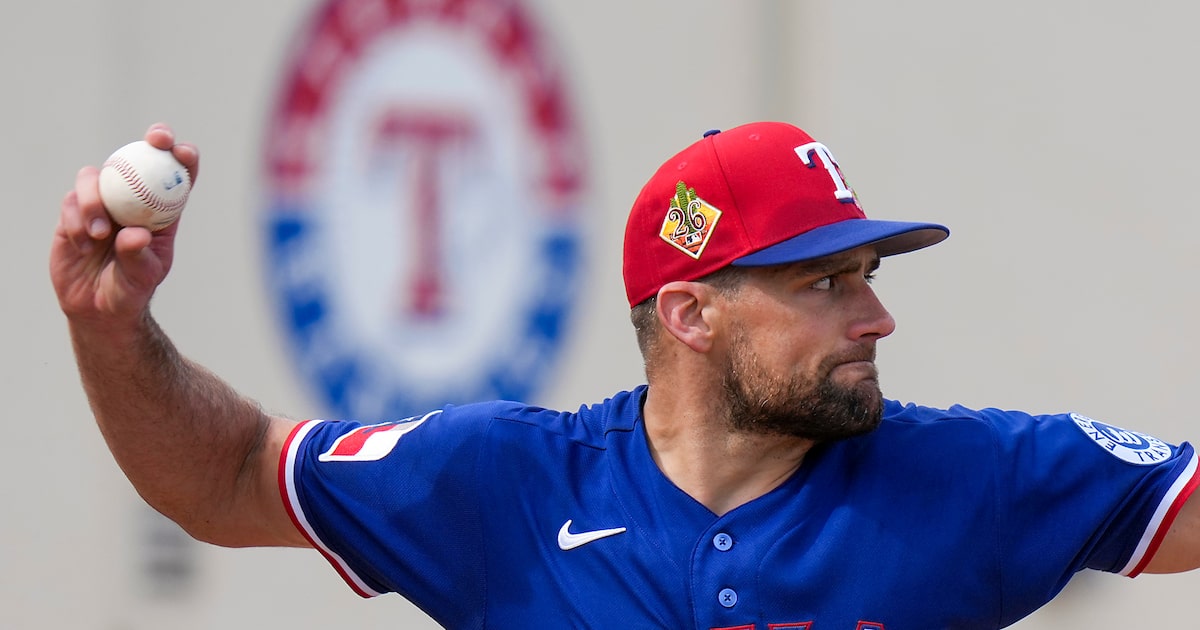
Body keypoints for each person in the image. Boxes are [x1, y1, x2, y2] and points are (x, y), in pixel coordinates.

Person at [50, 121, 1200, 629]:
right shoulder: (504, 482)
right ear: (691, 313)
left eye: (866, 275)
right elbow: (229, 475)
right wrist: (112, 329)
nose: (876, 316)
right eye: (824, 283)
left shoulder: (972, 475)